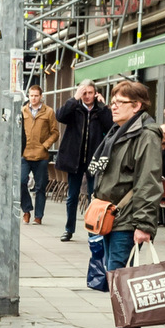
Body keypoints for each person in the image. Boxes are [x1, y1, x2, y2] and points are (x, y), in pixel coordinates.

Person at [91, 81, 163, 328]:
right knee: (115, 278)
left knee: (122, 279)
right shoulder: (118, 130)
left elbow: (149, 181)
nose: (113, 105)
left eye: (120, 101)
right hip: (112, 216)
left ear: (137, 106)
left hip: (128, 218)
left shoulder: (146, 135)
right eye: (113, 100)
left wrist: (144, 225)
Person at [56, 79, 110, 241]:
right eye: (84, 93)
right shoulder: (74, 108)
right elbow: (60, 116)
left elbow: (110, 126)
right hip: (75, 159)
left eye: (90, 93)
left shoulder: (99, 111)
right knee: (72, 196)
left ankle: (91, 229)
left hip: (94, 160)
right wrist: (74, 98)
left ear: (96, 94)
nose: (87, 96)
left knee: (92, 197)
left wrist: (104, 107)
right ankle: (69, 229)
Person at [20, 84, 58, 224]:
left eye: (36, 95)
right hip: (25, 153)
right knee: (21, 182)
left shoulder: (48, 112)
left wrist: (46, 145)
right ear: (28, 96)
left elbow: (55, 133)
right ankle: (26, 209)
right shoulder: (22, 111)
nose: (34, 98)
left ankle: (38, 216)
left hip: (41, 155)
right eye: (31, 95)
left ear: (41, 96)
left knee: (40, 186)